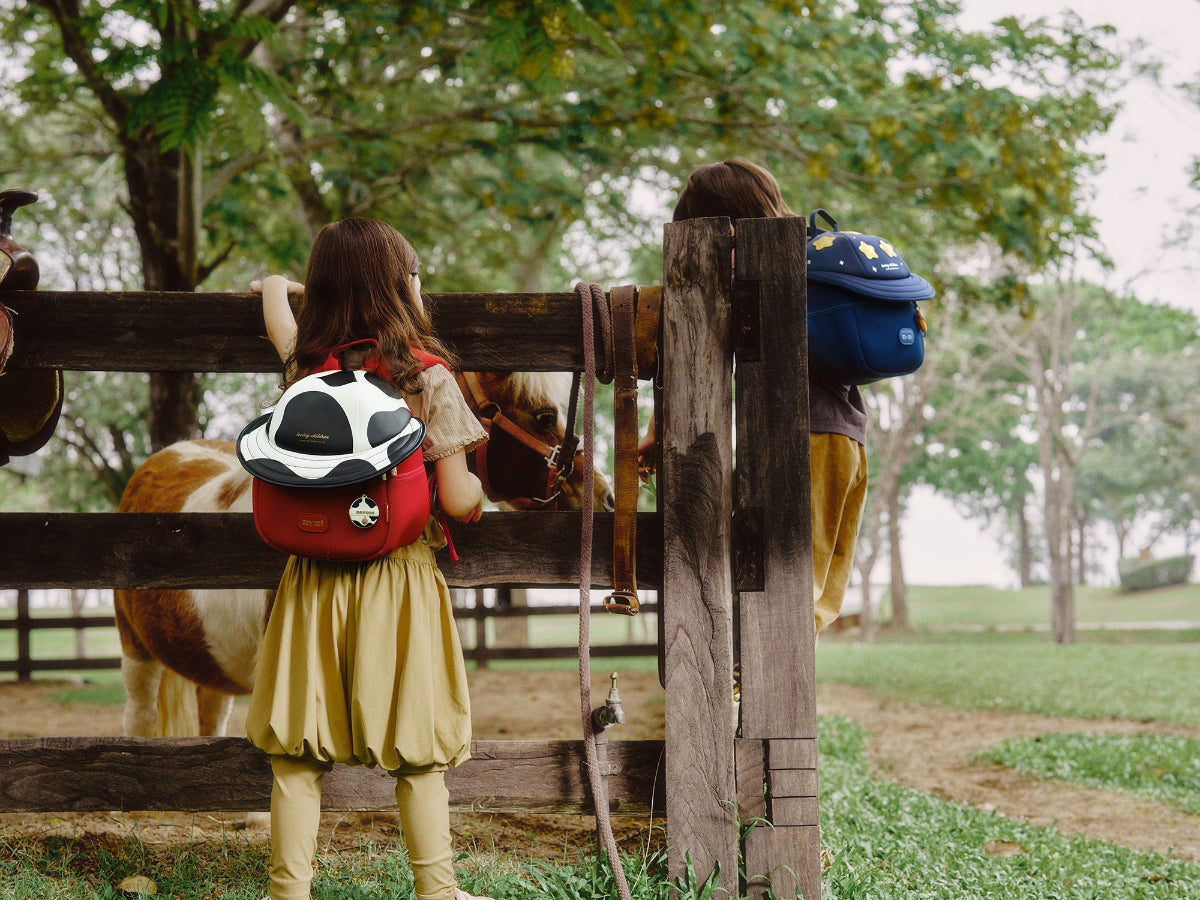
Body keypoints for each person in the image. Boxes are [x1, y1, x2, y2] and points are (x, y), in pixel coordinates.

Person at [246, 217, 493, 900]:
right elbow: (459, 496)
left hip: (313, 576)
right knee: (420, 750)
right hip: (400, 577)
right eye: (413, 274)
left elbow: (271, 290)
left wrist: (314, 285)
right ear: (401, 284)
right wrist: (476, 495)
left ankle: (288, 892)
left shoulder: (303, 361)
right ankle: (436, 891)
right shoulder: (426, 376)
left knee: (296, 753)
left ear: (321, 288)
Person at [644, 159, 869, 635]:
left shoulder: (766, 276)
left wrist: (654, 429)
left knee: (785, 600)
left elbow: (692, 339)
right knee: (801, 599)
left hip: (803, 446)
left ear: (727, 229)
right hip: (843, 443)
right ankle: (745, 689)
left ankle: (747, 691)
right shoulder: (812, 264)